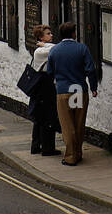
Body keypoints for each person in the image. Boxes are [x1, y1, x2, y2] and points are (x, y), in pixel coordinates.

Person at [47, 21, 99, 166]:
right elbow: (90, 70)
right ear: (73, 33)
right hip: (79, 90)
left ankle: (70, 156)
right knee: (79, 124)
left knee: (67, 125)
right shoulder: (82, 48)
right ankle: (78, 152)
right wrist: (93, 87)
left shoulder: (55, 50)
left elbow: (50, 72)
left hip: (63, 91)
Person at [26, 25, 59, 156]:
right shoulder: (40, 51)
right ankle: (47, 148)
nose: (51, 35)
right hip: (44, 85)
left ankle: (36, 146)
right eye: (48, 34)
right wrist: (44, 45)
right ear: (41, 37)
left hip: (41, 86)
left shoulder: (43, 49)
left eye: (50, 33)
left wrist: (44, 44)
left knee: (39, 117)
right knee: (48, 117)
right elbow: (58, 48)